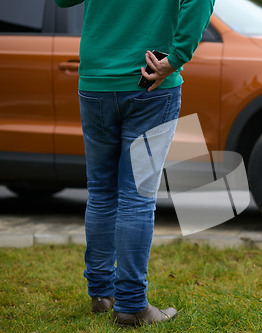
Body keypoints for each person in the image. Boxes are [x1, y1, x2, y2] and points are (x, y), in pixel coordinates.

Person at [53, 0, 215, 327]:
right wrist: (178, 56)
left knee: (101, 192)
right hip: (151, 81)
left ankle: (101, 294)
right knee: (136, 198)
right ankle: (130, 305)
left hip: (97, 79)